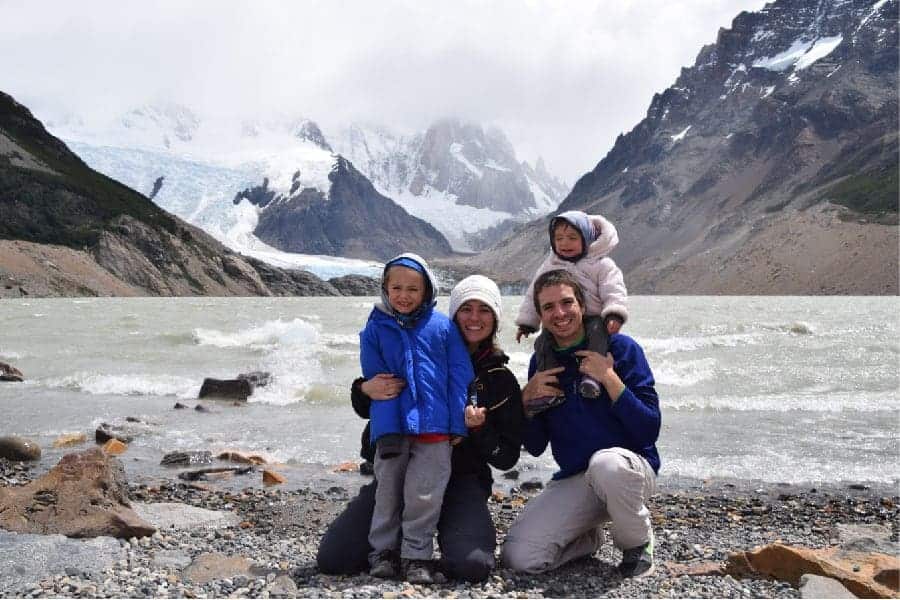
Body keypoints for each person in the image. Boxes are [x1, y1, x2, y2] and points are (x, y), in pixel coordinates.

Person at [318, 274, 524, 583]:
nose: (474, 318)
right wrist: (364, 389)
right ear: (450, 313)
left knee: (474, 566)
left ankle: (420, 545)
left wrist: (477, 430)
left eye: (484, 310)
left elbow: (506, 458)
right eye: (466, 309)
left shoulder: (500, 378)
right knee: (335, 559)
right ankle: (395, 543)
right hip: (399, 473)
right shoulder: (412, 349)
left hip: (461, 481)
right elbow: (367, 408)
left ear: (495, 318)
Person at [501, 269, 661, 579]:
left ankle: (638, 544)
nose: (559, 313)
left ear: (581, 303)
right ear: (540, 315)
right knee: (519, 557)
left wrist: (609, 378)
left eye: (566, 302)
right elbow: (534, 446)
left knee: (607, 465)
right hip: (578, 479)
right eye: (548, 307)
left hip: (629, 472)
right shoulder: (543, 362)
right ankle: (588, 538)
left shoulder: (622, 349)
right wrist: (526, 404)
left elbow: (648, 429)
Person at [357, 252, 473, 584]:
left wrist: (456, 423)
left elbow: (459, 374)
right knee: (388, 492)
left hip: (435, 427)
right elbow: (377, 381)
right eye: (396, 287)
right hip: (392, 429)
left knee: (425, 494)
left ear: (427, 291)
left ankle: (415, 556)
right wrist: (385, 425)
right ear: (385, 288)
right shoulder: (375, 327)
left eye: (413, 289)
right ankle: (383, 552)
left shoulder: (442, 327)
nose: (403, 296)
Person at [515, 211, 628, 407]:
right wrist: (527, 323)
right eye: (559, 238)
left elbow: (614, 289)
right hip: (561, 326)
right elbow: (534, 293)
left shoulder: (601, 264)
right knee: (542, 342)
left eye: (572, 238)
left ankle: (592, 378)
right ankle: (549, 387)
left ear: (586, 239)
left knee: (597, 334)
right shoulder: (549, 266)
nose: (564, 243)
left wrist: (614, 313)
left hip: (594, 318)